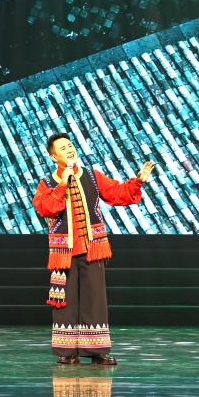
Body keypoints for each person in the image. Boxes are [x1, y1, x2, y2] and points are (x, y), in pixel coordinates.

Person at [32, 133, 154, 365]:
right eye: (62, 148)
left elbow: (116, 193)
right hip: (64, 252)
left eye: (70, 145)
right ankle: (67, 352)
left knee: (94, 298)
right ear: (53, 156)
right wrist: (62, 184)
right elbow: (46, 208)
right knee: (65, 300)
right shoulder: (47, 183)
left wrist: (137, 182)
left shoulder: (91, 176)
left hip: (92, 247)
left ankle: (97, 351)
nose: (69, 150)